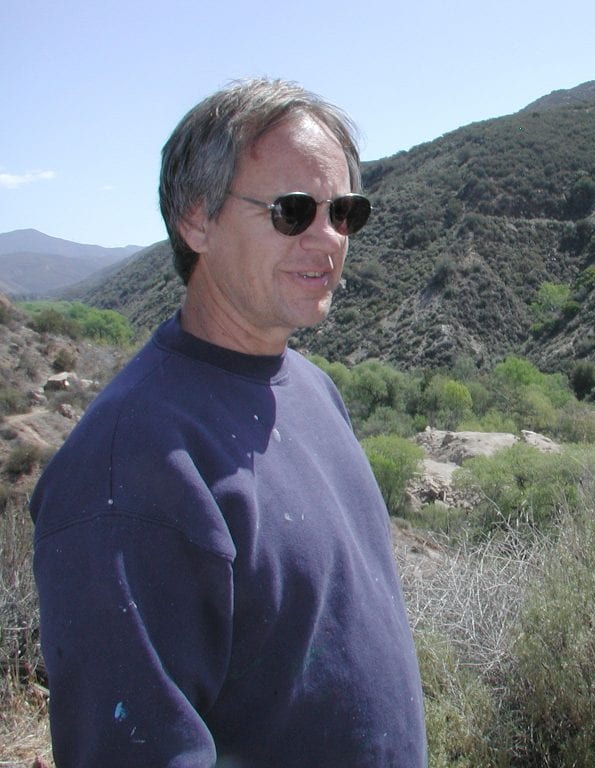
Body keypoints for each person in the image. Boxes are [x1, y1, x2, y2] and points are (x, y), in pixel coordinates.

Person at [30, 78, 427, 767]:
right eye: (293, 211)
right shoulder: (131, 471)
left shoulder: (308, 387)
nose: (327, 238)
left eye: (345, 212)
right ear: (196, 219)